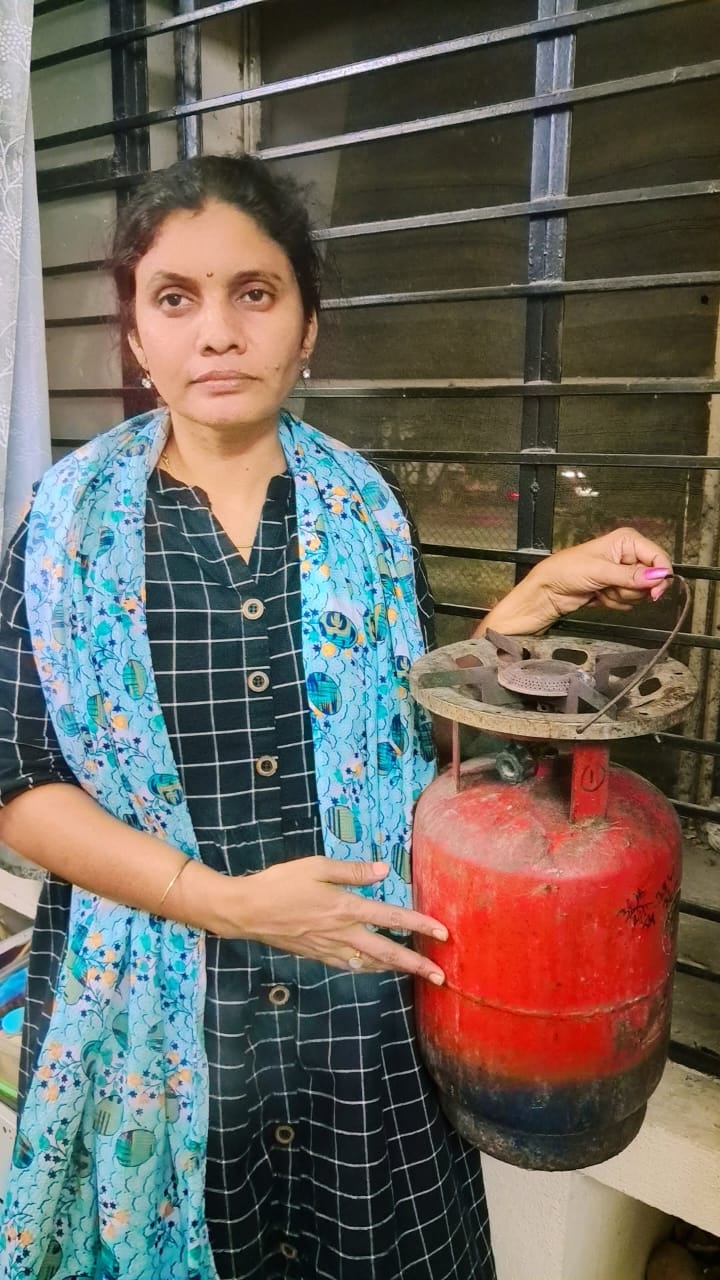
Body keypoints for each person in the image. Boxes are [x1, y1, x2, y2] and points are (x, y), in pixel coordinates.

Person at [0, 154, 672, 1280]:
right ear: (137, 337)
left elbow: (404, 732)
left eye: (255, 293)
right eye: (176, 298)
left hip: (360, 1026)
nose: (218, 333)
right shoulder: (62, 529)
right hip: (156, 1029)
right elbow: (19, 788)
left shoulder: (367, 507)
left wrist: (529, 609)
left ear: (307, 327)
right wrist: (224, 903)